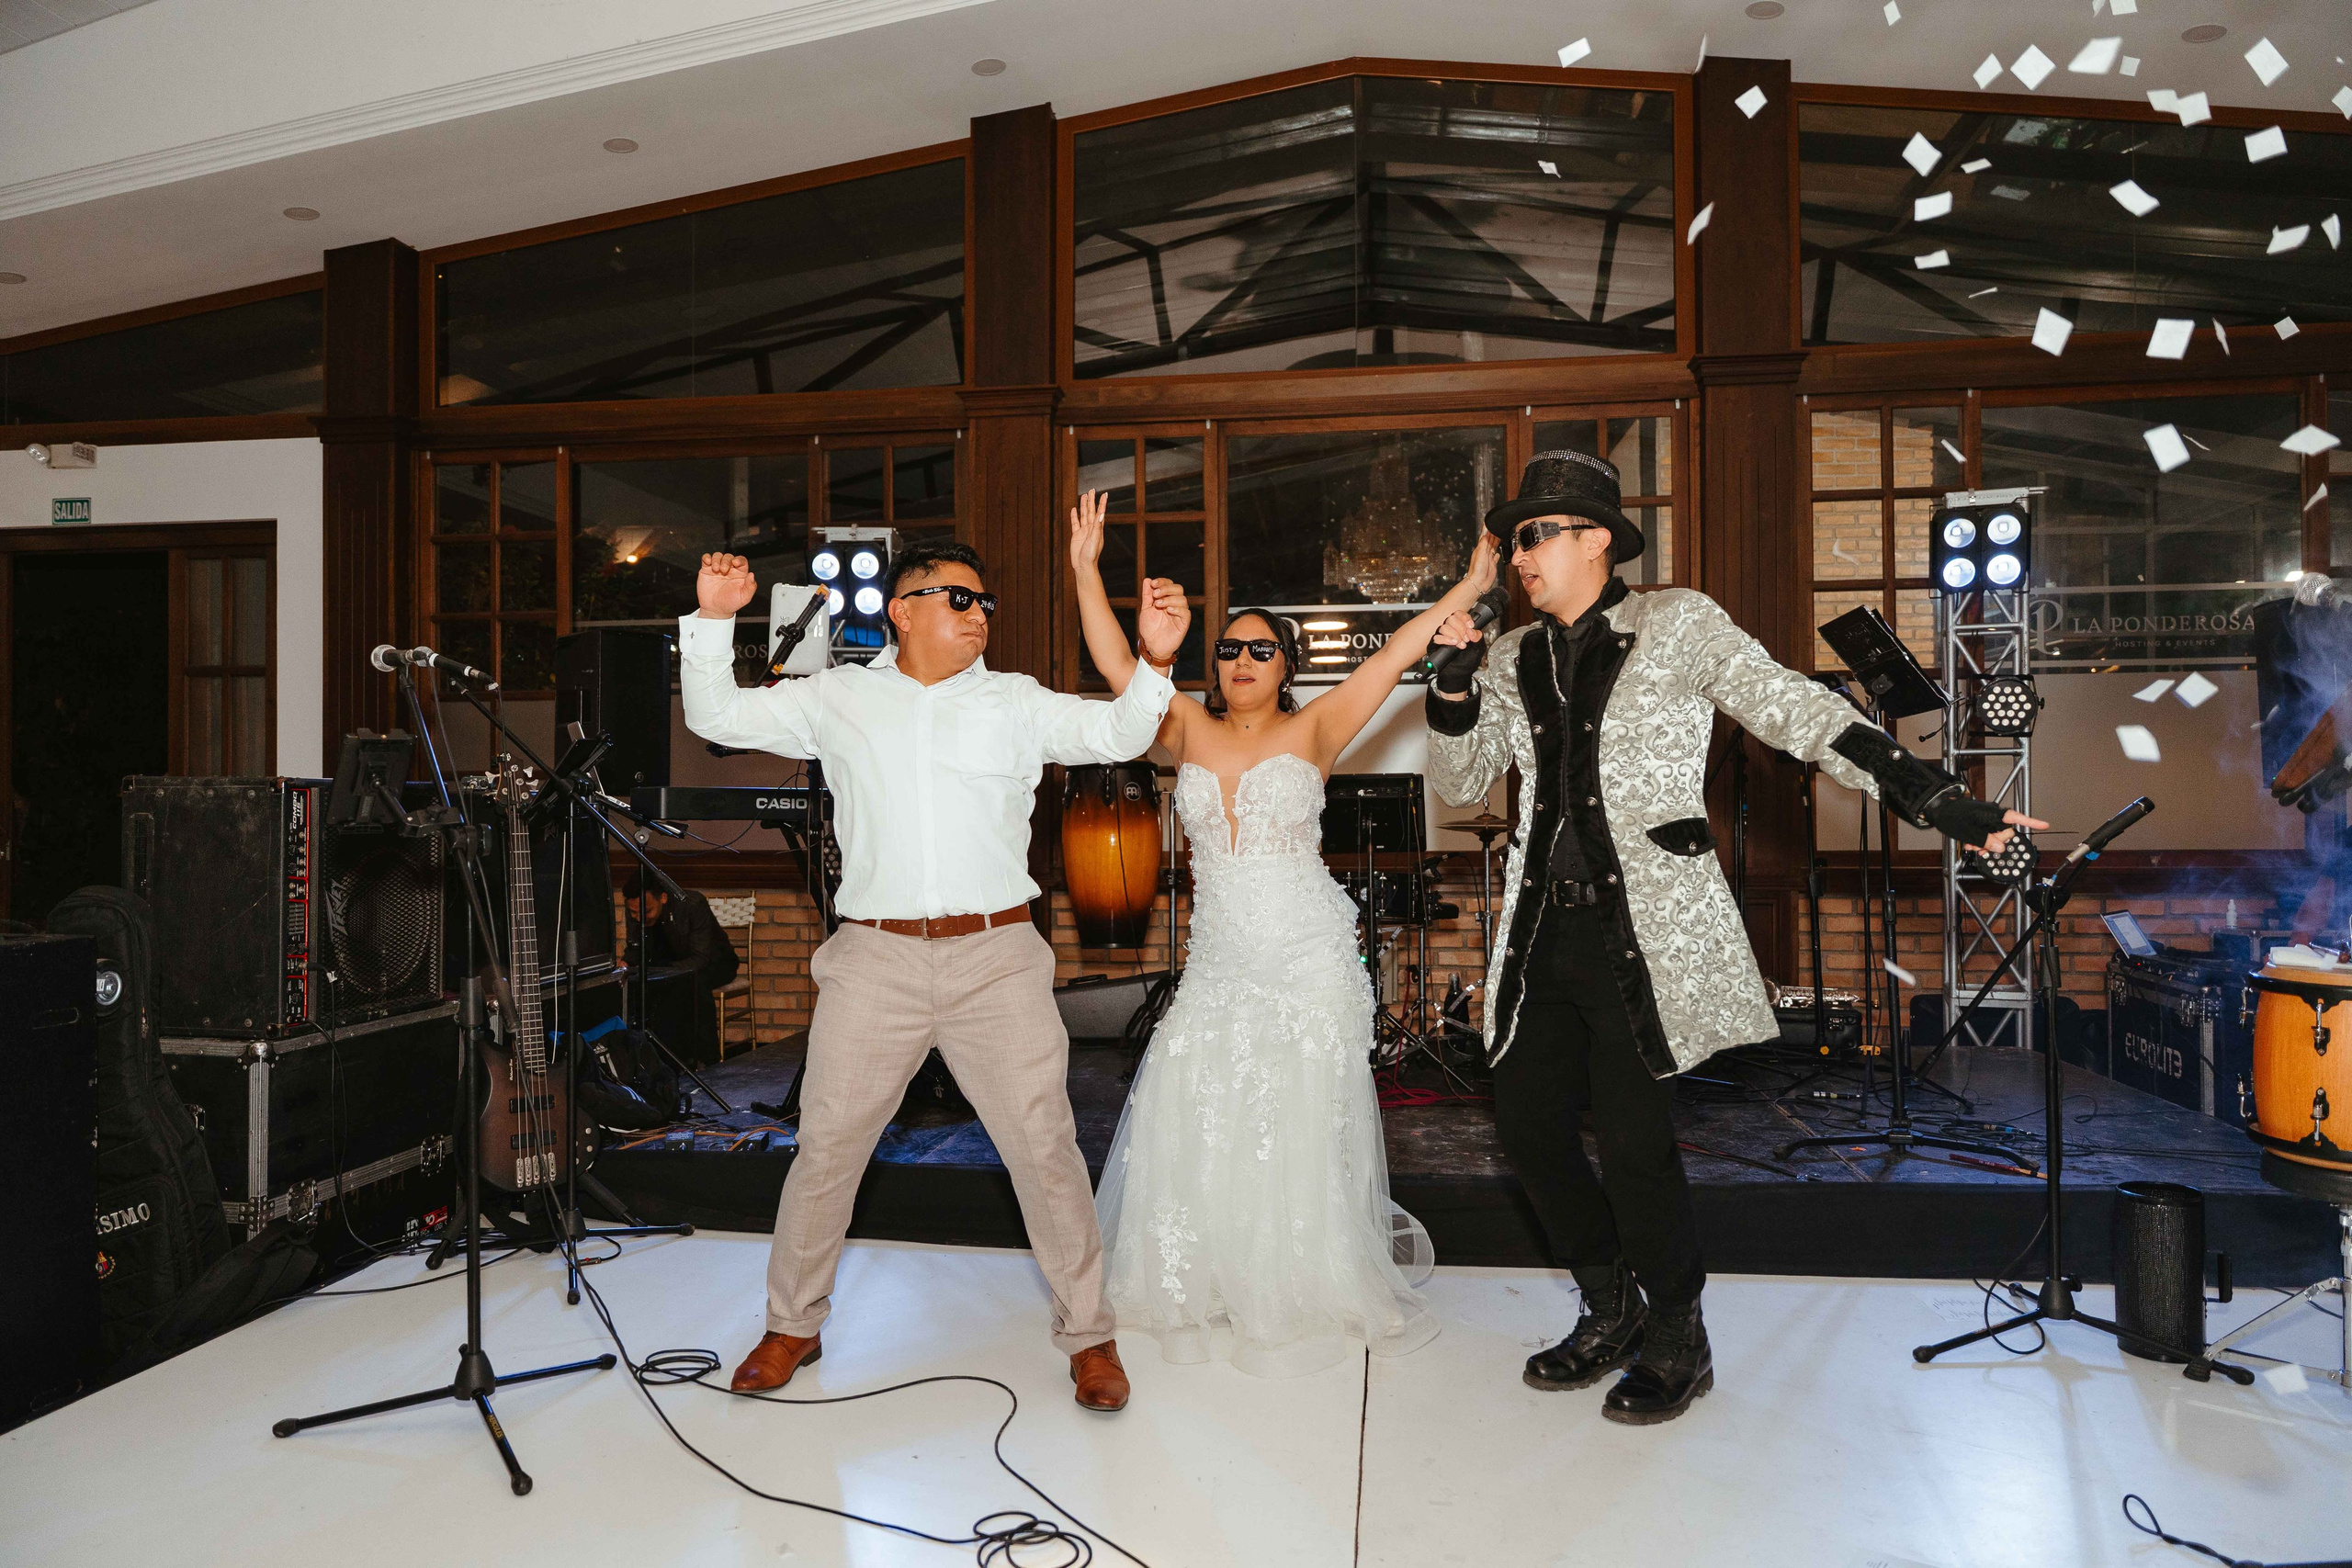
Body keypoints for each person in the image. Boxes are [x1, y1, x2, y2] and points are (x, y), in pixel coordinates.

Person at [1425, 450, 2045, 1426]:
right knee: (1528, 1129)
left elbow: (1795, 710)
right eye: (1510, 543)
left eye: (1534, 537)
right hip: (1543, 932)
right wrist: (1453, 694)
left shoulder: (1677, 623)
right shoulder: (1511, 658)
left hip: (1648, 935)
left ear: (1594, 538)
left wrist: (1941, 801)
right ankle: (1607, 1305)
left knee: (1634, 1148)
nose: (1517, 559)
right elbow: (1461, 785)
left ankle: (1677, 1332)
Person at [679, 536, 1191, 1413]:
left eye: (985, 602)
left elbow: (1119, 730)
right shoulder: (836, 697)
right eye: (960, 598)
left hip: (997, 956)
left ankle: (1090, 1335)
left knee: (1045, 1149)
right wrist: (715, 620)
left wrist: (1152, 659)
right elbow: (717, 718)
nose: (979, 613)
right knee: (828, 1143)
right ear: (902, 609)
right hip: (875, 956)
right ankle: (792, 1324)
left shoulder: (1016, 702)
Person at [1074, 488, 1501, 1377]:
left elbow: (1395, 655)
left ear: (1286, 666)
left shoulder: (1317, 729)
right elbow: (1121, 671)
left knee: (1295, 1123)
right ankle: (1216, 1274)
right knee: (1200, 1107)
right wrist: (1085, 568)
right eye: (1228, 647)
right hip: (1220, 964)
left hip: (1308, 959)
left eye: (1260, 649)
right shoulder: (1182, 727)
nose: (1239, 659)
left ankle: (1299, 1278)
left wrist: (1464, 585)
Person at [622, 872, 741, 1062]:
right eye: (633, 913)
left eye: (646, 912)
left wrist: (666, 973)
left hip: (716, 963)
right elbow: (635, 948)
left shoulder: (692, 904)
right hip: (670, 965)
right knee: (640, 985)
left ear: (663, 897)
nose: (638, 918)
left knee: (694, 984)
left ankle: (706, 1059)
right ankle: (652, 1057)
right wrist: (626, 963)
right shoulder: (637, 912)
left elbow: (701, 957)